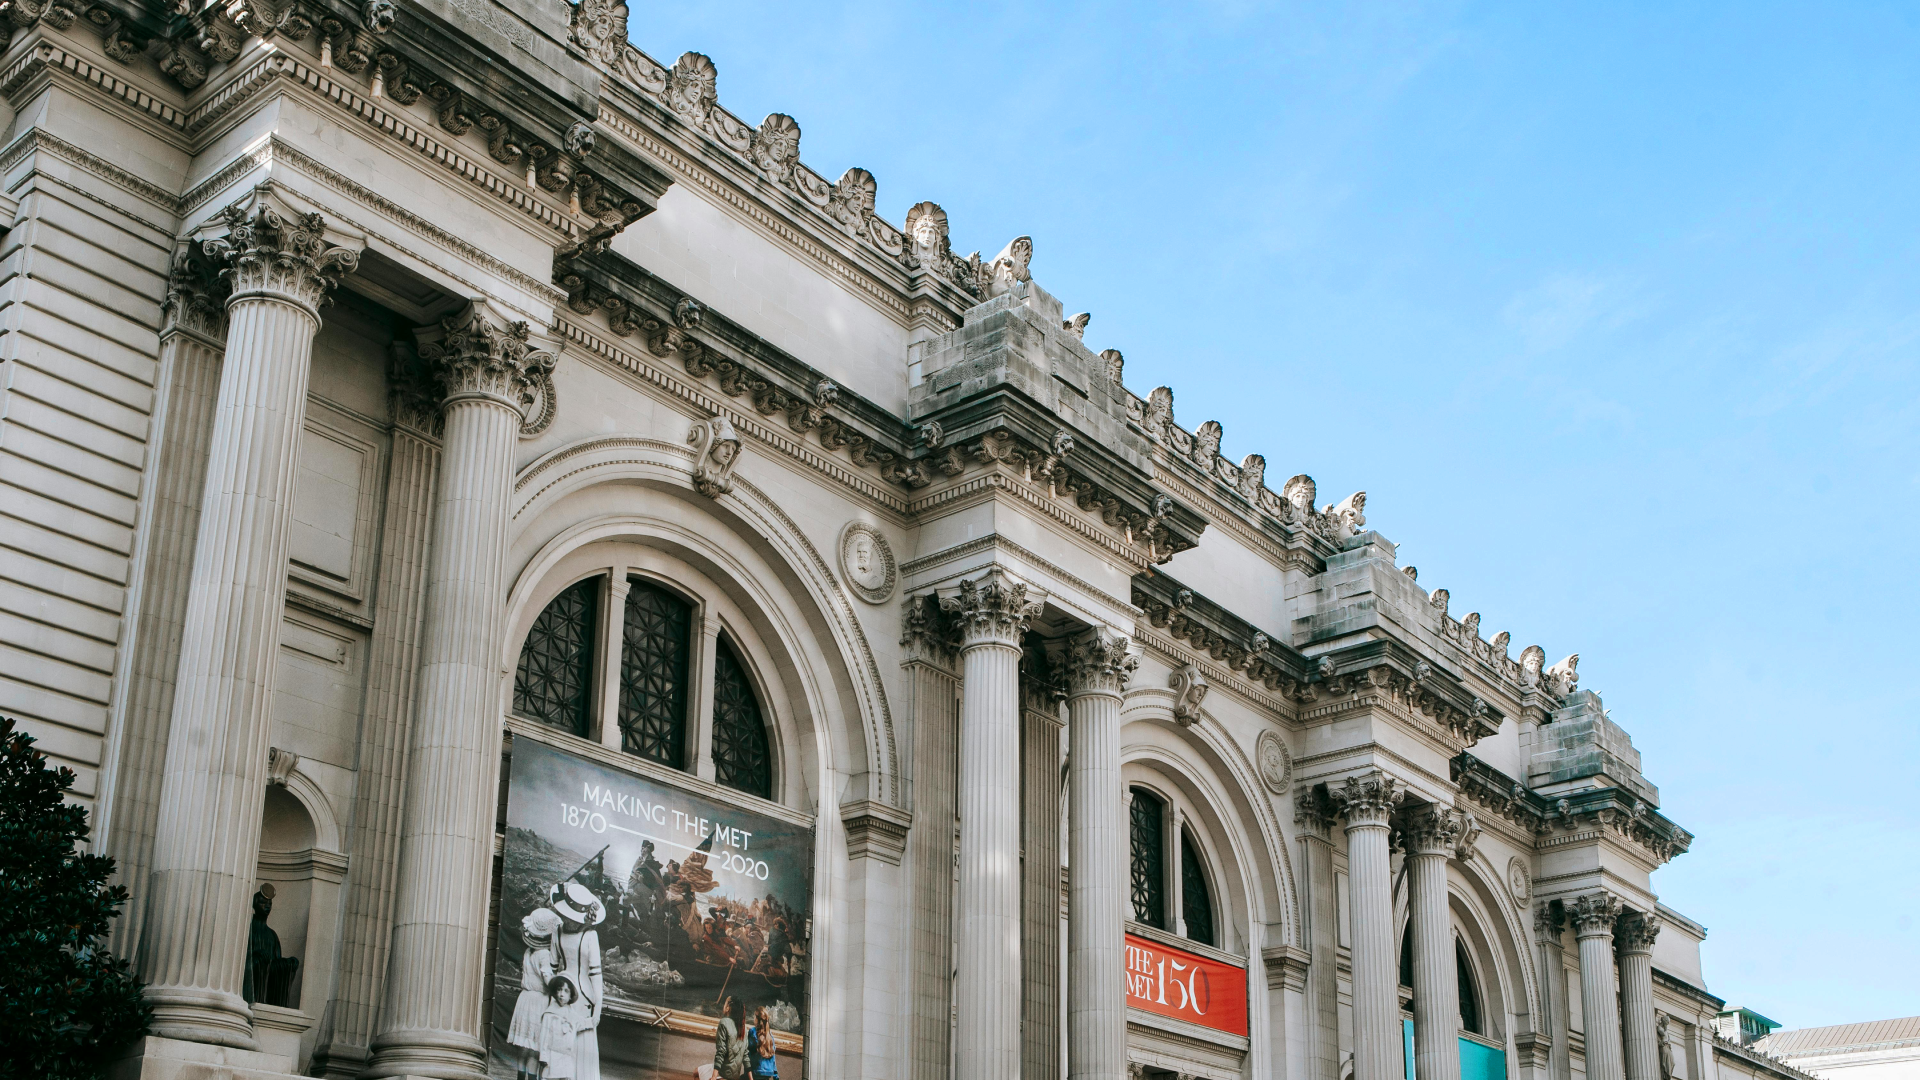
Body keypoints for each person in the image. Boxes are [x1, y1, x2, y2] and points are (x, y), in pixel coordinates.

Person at [550, 882, 605, 1080]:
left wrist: (597, 1009)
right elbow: (553, 968)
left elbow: (596, 975)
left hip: (584, 1002)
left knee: (581, 1051)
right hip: (561, 998)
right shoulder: (556, 931)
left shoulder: (590, 935)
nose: (568, 920)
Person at [508, 908, 561, 1080]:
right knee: (534, 1050)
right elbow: (547, 979)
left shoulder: (528, 951)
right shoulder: (544, 955)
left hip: (525, 999)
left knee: (523, 1049)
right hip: (538, 1001)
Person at [536, 976, 586, 1080]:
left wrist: (593, 1020)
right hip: (552, 1057)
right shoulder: (550, 1014)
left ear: (571, 994)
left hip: (566, 1057)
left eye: (566, 991)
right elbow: (544, 1036)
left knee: (565, 1076)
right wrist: (543, 1056)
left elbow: (581, 1024)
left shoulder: (572, 1013)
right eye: (559, 990)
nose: (561, 994)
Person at [711, 996, 748, 1080]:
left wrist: (714, 1076)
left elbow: (721, 1051)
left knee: (696, 1073)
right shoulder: (744, 1028)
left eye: (725, 1002)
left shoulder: (724, 1022)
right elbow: (746, 1056)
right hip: (735, 1076)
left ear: (728, 1008)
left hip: (723, 1074)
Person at [746, 1005, 779, 1079]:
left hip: (756, 1071)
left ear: (756, 1019)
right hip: (768, 1073)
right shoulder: (770, 1036)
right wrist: (776, 1076)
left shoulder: (753, 1032)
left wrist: (747, 1072)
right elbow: (773, 1059)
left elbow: (747, 1054)